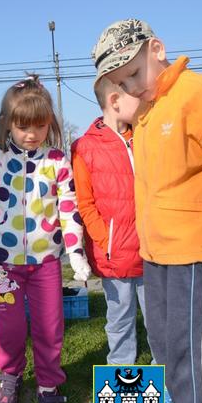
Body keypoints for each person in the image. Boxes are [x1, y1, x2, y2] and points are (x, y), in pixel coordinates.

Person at [91, 18, 202, 403]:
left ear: (157, 49)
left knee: (195, 351)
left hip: (194, 250)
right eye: (122, 83)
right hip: (156, 252)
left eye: (135, 75)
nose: (132, 88)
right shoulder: (145, 113)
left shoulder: (195, 93)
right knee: (165, 345)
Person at [0, 76, 91, 403]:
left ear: (50, 124)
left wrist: (75, 252)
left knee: (50, 329)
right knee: (9, 327)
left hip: (45, 264)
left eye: (40, 125)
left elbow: (68, 209)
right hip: (4, 266)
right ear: (7, 124)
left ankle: (49, 390)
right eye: (22, 126)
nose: (31, 134)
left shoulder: (57, 163)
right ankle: (10, 377)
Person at [71, 78, 146, 368]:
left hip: (153, 251)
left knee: (161, 322)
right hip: (115, 256)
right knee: (120, 320)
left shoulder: (145, 136)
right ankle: (121, 377)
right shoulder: (83, 148)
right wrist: (106, 241)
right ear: (115, 100)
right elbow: (84, 203)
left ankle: (169, 382)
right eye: (136, 96)